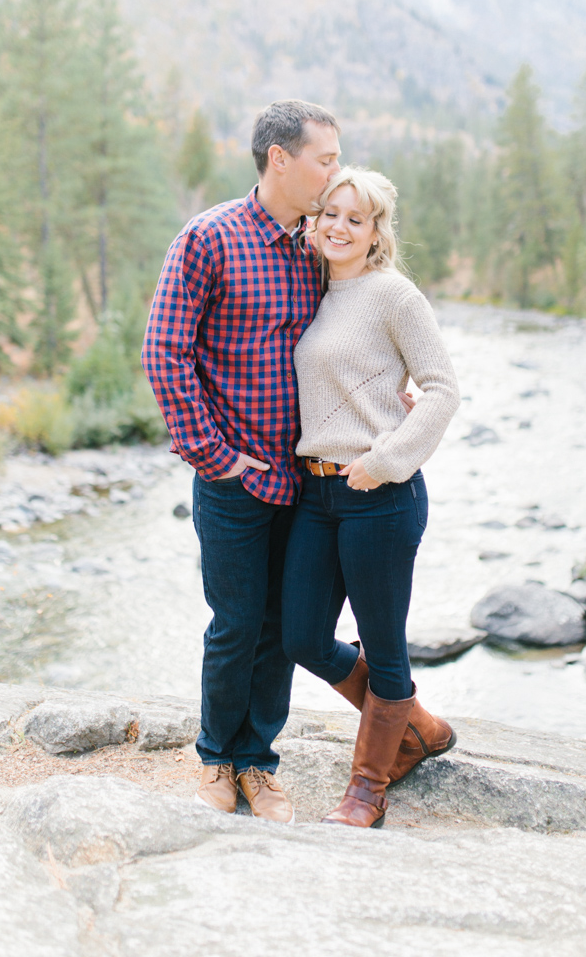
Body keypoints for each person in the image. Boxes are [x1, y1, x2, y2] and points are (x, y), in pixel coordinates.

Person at [141, 99, 341, 823]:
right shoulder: (209, 238)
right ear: (279, 159)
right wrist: (215, 458)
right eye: (325, 159)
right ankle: (217, 760)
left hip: (308, 475)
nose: (334, 173)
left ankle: (259, 761)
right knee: (234, 622)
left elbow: (353, 336)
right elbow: (165, 353)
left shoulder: (320, 245)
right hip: (235, 476)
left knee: (282, 626)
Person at [282, 165, 461, 828]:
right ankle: (415, 725)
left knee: (383, 646)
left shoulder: (395, 297)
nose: (339, 226)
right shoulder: (305, 290)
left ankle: (368, 789)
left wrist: (387, 459)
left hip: (379, 496)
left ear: (375, 231)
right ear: (314, 219)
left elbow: (441, 388)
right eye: (330, 213)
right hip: (315, 493)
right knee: (300, 634)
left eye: (355, 219)